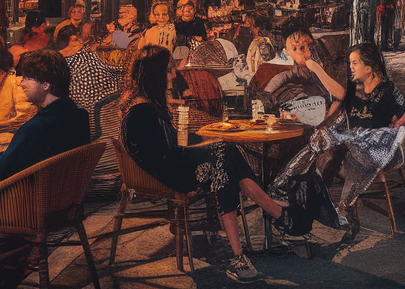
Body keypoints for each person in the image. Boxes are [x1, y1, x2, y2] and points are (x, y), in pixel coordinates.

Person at [121, 47, 284, 283]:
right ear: (155, 73)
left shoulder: (147, 104)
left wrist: (207, 139)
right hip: (168, 175)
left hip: (172, 165)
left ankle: (254, 235)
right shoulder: (142, 111)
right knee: (224, 157)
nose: (173, 75)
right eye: (168, 71)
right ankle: (271, 215)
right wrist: (206, 147)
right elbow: (166, 156)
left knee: (224, 153)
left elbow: (171, 142)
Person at [270, 43, 405, 239]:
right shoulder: (354, 88)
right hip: (349, 145)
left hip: (374, 151)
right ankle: (301, 201)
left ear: (369, 67)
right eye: (350, 63)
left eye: (355, 63)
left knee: (342, 155)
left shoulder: (388, 90)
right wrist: (324, 126)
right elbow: (340, 107)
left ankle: (340, 207)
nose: (351, 67)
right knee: (321, 151)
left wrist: (397, 125)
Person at [0, 50, 90, 189]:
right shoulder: (79, 117)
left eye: (27, 78)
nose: (21, 84)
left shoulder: (36, 128)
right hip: (65, 196)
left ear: (46, 84)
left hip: (25, 202)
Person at [264, 27, 347, 114]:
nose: (301, 53)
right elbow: (277, 83)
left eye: (304, 47)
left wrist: (316, 68)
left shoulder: (325, 67)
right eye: (295, 49)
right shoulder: (291, 74)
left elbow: (341, 95)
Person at [54, 32, 125, 126]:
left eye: (79, 39)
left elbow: (104, 68)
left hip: (94, 95)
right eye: (75, 40)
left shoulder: (87, 54)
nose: (80, 42)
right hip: (79, 98)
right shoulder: (58, 61)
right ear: (66, 43)